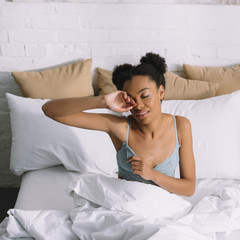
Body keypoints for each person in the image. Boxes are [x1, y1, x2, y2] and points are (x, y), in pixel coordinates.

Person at [42, 53, 196, 196]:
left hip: (162, 209)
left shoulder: (181, 126)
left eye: (145, 96)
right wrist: (102, 102)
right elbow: (50, 110)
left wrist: (152, 174)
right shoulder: (120, 127)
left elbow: (189, 188)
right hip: (124, 209)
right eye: (131, 98)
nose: (138, 105)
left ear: (160, 92)